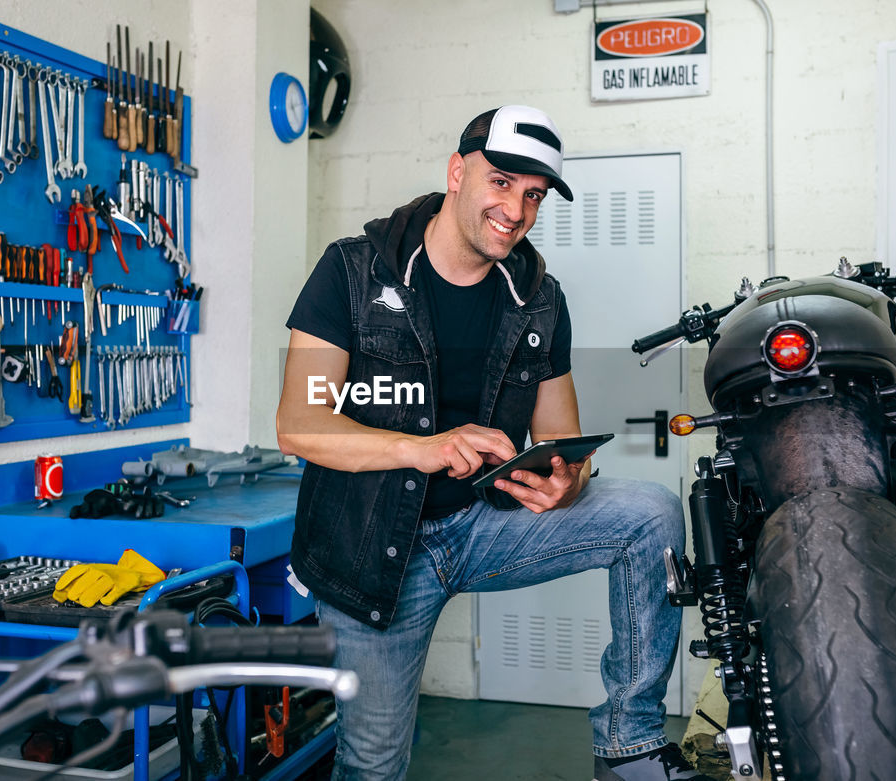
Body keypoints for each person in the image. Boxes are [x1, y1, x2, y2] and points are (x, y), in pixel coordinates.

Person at [277, 105, 709, 781]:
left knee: (650, 514)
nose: (517, 208)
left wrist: (571, 476)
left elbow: (563, 439)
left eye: (533, 195)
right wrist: (421, 447)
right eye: (502, 182)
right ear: (457, 172)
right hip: (371, 550)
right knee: (373, 767)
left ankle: (629, 745)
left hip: (481, 526)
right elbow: (300, 425)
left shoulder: (539, 297)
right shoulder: (352, 272)